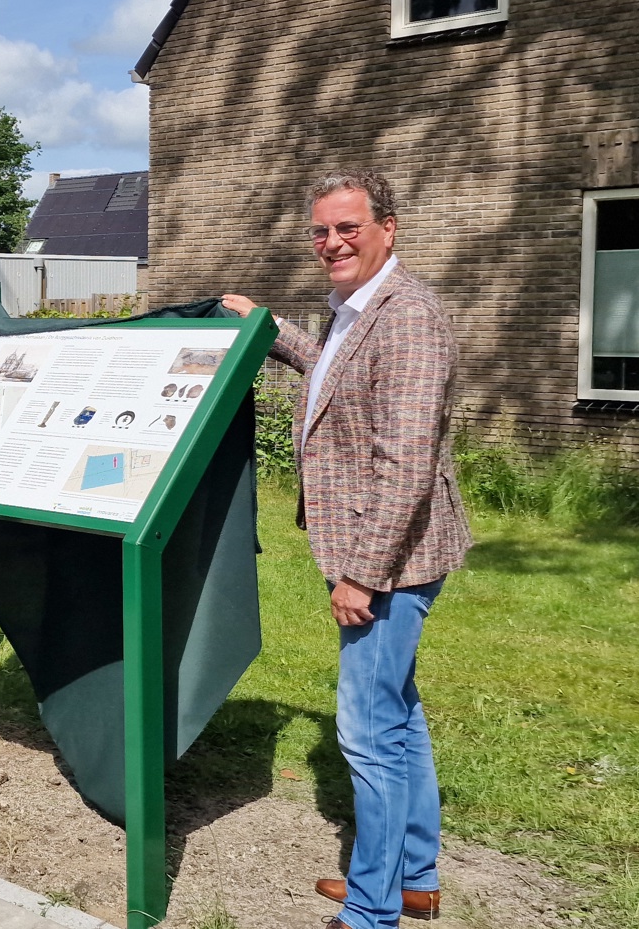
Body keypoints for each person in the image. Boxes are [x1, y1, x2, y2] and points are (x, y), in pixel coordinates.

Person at [223, 171, 470, 929]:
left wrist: (362, 573)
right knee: (398, 715)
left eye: (348, 228)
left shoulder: (409, 316)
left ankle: (371, 912)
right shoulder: (354, 311)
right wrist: (271, 329)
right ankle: (413, 879)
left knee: (368, 730)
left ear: (388, 228)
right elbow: (334, 376)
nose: (332, 242)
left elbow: (406, 460)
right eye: (321, 231)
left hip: (390, 560)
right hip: (378, 552)